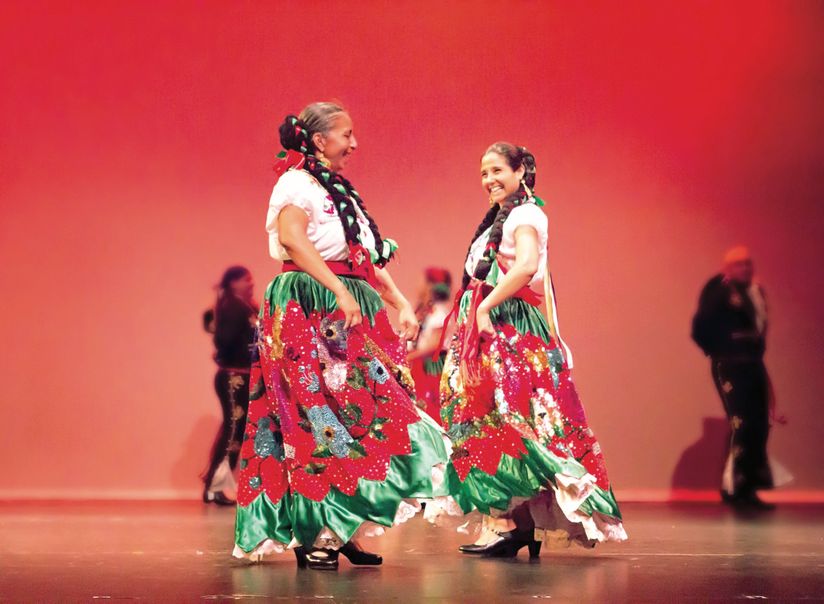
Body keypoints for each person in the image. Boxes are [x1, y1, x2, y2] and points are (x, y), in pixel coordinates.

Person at [233, 103, 449, 570]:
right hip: (309, 305)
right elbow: (294, 240)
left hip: (347, 305)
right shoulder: (294, 183)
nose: (353, 144)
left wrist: (400, 303)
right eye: (346, 135)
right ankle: (315, 531)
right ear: (317, 140)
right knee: (315, 416)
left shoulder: (340, 191)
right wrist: (337, 291)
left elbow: (364, 259)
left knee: (356, 414)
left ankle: (341, 520)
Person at [438, 142, 626, 558]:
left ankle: (505, 524)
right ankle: (513, 525)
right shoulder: (508, 215)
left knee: (499, 416)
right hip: (494, 322)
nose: (488, 180)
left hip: (505, 324)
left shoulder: (524, 215)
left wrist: (485, 306)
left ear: (521, 170)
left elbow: (524, 266)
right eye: (483, 173)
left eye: (496, 170)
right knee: (493, 417)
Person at [691, 246, 783, 510]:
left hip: (752, 363)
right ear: (728, 267)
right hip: (730, 365)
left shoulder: (754, 292)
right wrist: (721, 350)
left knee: (759, 424)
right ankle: (733, 486)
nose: (745, 268)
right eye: (739, 264)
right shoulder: (719, 291)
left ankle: (749, 486)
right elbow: (701, 326)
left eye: (748, 263)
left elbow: (759, 326)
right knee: (741, 423)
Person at [201, 266, 258, 506]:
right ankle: (215, 486)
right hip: (233, 377)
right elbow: (223, 338)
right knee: (234, 429)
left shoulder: (238, 306)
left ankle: (216, 485)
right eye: (246, 280)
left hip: (239, 376)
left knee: (234, 428)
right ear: (234, 283)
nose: (251, 283)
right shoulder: (234, 307)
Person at [407, 267, 453, 424]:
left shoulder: (439, 312)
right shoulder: (423, 311)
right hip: (420, 364)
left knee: (430, 405)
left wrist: (409, 355)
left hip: (431, 367)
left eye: (423, 281)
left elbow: (435, 345)